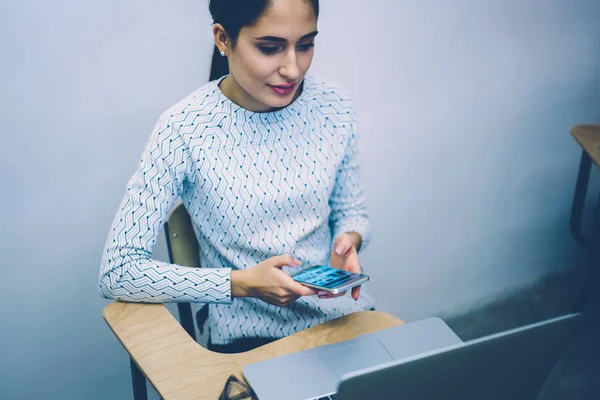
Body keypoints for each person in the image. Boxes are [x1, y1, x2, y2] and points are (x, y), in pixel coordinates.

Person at [98, 0, 375, 353]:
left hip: (344, 318)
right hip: (248, 340)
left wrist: (348, 241)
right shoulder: (184, 129)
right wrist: (239, 283)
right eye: (270, 48)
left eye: (305, 45)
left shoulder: (334, 105)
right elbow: (118, 271)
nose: (293, 69)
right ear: (223, 38)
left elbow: (352, 211)